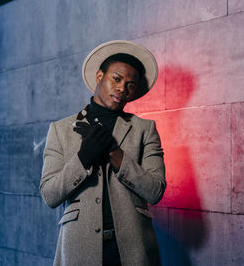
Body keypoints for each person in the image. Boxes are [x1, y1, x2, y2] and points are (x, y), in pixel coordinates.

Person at [40, 40, 166, 266]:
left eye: (130, 85)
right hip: (80, 248)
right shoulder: (60, 130)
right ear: (100, 76)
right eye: (116, 79)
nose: (122, 88)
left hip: (132, 249)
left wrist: (114, 152)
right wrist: (83, 158)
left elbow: (155, 190)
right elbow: (50, 195)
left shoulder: (144, 130)